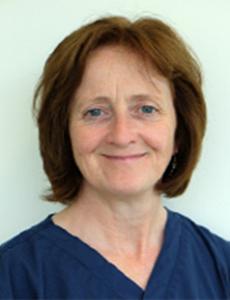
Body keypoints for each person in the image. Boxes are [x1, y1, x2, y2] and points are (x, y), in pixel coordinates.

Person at [0, 15, 229, 299]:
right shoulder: (12, 277)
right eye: (95, 112)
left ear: (179, 132)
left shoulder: (222, 268)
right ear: (64, 132)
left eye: (146, 109)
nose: (121, 135)